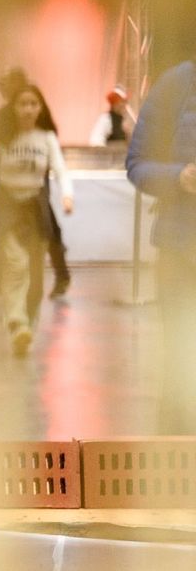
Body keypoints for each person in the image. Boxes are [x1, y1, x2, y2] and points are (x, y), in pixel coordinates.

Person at [0, 70, 73, 356]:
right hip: (8, 206)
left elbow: (61, 169)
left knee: (36, 278)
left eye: (33, 104)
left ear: (40, 108)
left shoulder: (46, 138)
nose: (28, 109)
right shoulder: (1, 139)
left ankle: (26, 326)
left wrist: (67, 195)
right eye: (22, 104)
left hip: (35, 207)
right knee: (16, 265)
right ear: (13, 108)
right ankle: (15, 320)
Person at [128, 60, 196, 430]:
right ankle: (175, 451)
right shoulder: (175, 84)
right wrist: (178, 177)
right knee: (179, 359)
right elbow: (137, 164)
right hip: (179, 251)